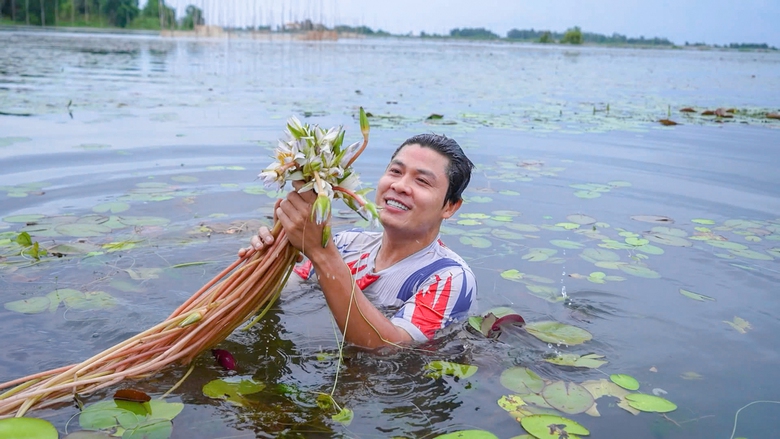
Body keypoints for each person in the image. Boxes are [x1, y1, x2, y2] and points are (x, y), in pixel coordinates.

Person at [239, 133, 476, 349]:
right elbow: (278, 295)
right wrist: (271, 258)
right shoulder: (346, 243)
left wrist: (321, 252)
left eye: (422, 181)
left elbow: (388, 347)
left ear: (450, 206)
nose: (399, 186)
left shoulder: (449, 277)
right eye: (396, 171)